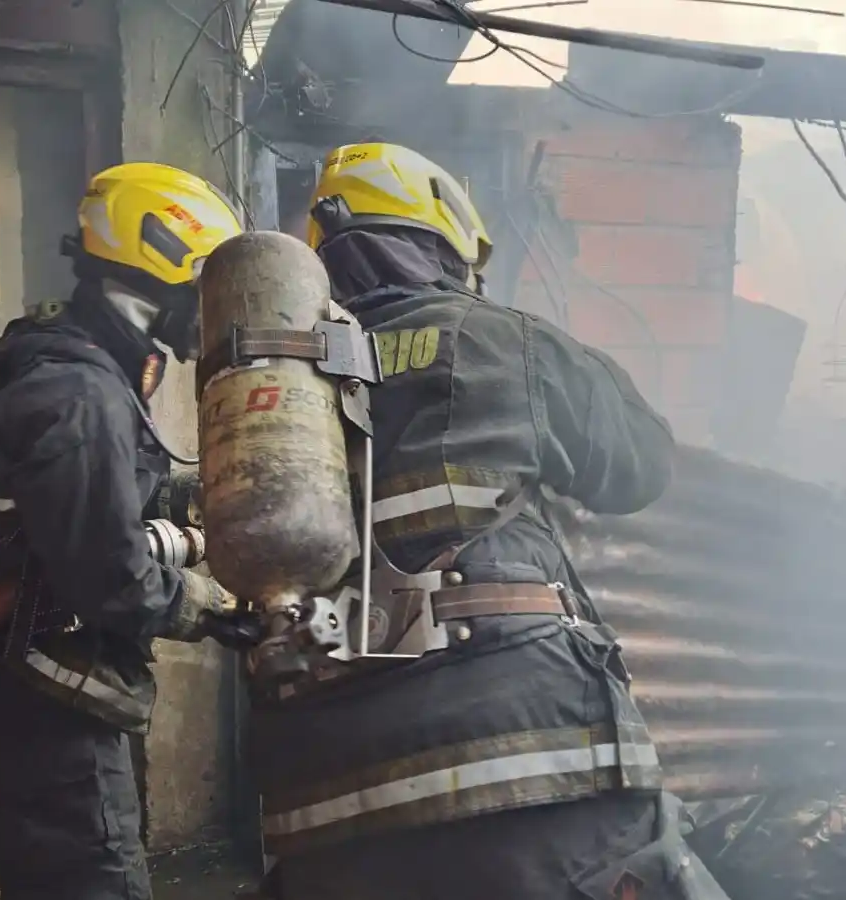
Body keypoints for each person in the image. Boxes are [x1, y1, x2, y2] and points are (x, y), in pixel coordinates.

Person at [249, 143, 730, 900]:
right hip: (528, 752)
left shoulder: (271, 384)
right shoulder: (506, 341)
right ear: (445, 237)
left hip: (323, 788)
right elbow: (640, 465)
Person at [0, 163, 247, 900]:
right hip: (50, 708)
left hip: (48, 695)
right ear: (169, 263)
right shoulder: (80, 391)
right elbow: (110, 575)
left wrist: (195, 498)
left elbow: (92, 501)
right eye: (211, 283)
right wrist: (214, 608)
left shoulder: (75, 359)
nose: (216, 310)